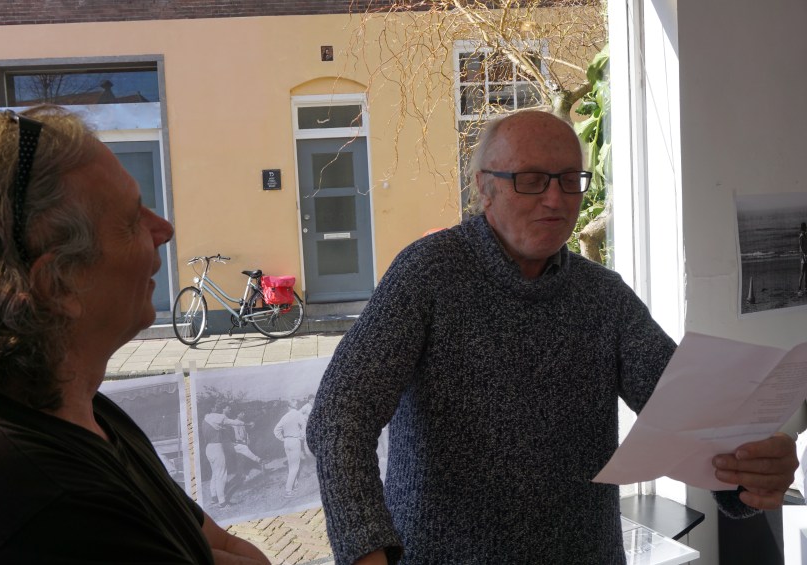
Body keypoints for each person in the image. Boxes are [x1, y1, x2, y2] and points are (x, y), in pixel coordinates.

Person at [306, 109, 798, 565]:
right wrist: (366, 548)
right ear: (484, 187)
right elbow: (339, 418)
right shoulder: (428, 274)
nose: (556, 199)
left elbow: (691, 415)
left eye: (569, 180)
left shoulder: (603, 296)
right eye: (531, 180)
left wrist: (750, 471)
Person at [0, 106, 269, 564]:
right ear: (60, 285)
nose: (163, 229)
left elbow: (215, 544)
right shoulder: (51, 505)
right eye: (130, 220)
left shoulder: (81, 409)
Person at [203, 402, 247, 508]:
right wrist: (247, 424)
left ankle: (214, 498)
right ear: (212, 408)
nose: (217, 408)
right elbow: (233, 422)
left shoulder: (205, 419)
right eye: (215, 406)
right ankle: (222, 502)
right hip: (216, 447)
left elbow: (217, 428)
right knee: (221, 474)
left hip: (208, 448)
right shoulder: (217, 416)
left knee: (215, 473)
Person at [273, 399, 306, 498]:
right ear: (295, 406)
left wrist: (283, 439)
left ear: (288, 407)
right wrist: (302, 436)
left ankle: (294, 485)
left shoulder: (285, 416)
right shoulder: (298, 414)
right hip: (295, 441)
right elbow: (304, 425)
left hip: (286, 442)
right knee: (295, 466)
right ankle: (288, 490)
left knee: (291, 465)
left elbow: (276, 430)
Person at [798, 222, 807, 297]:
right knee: (802, 273)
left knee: (806, 272)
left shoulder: (805, 235)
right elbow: (801, 247)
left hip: (805, 255)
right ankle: (799, 289)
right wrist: (804, 255)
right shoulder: (801, 236)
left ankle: (805, 288)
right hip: (803, 256)